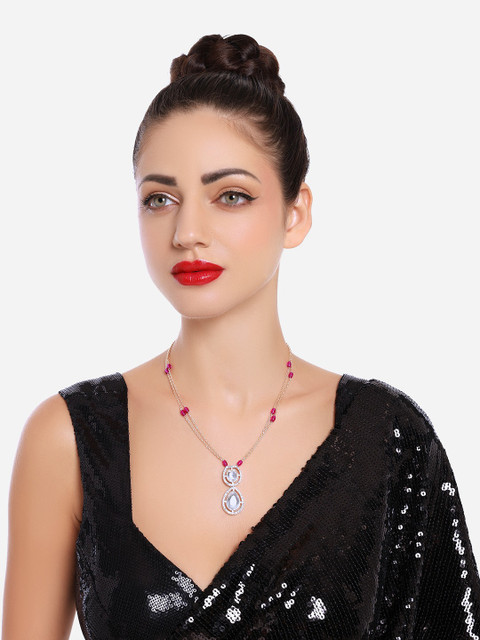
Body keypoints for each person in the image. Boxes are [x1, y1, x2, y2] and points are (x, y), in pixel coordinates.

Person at [3, 33, 480, 640]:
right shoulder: (69, 439)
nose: (187, 232)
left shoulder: (388, 440)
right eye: (159, 199)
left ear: (295, 214)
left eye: (230, 196)